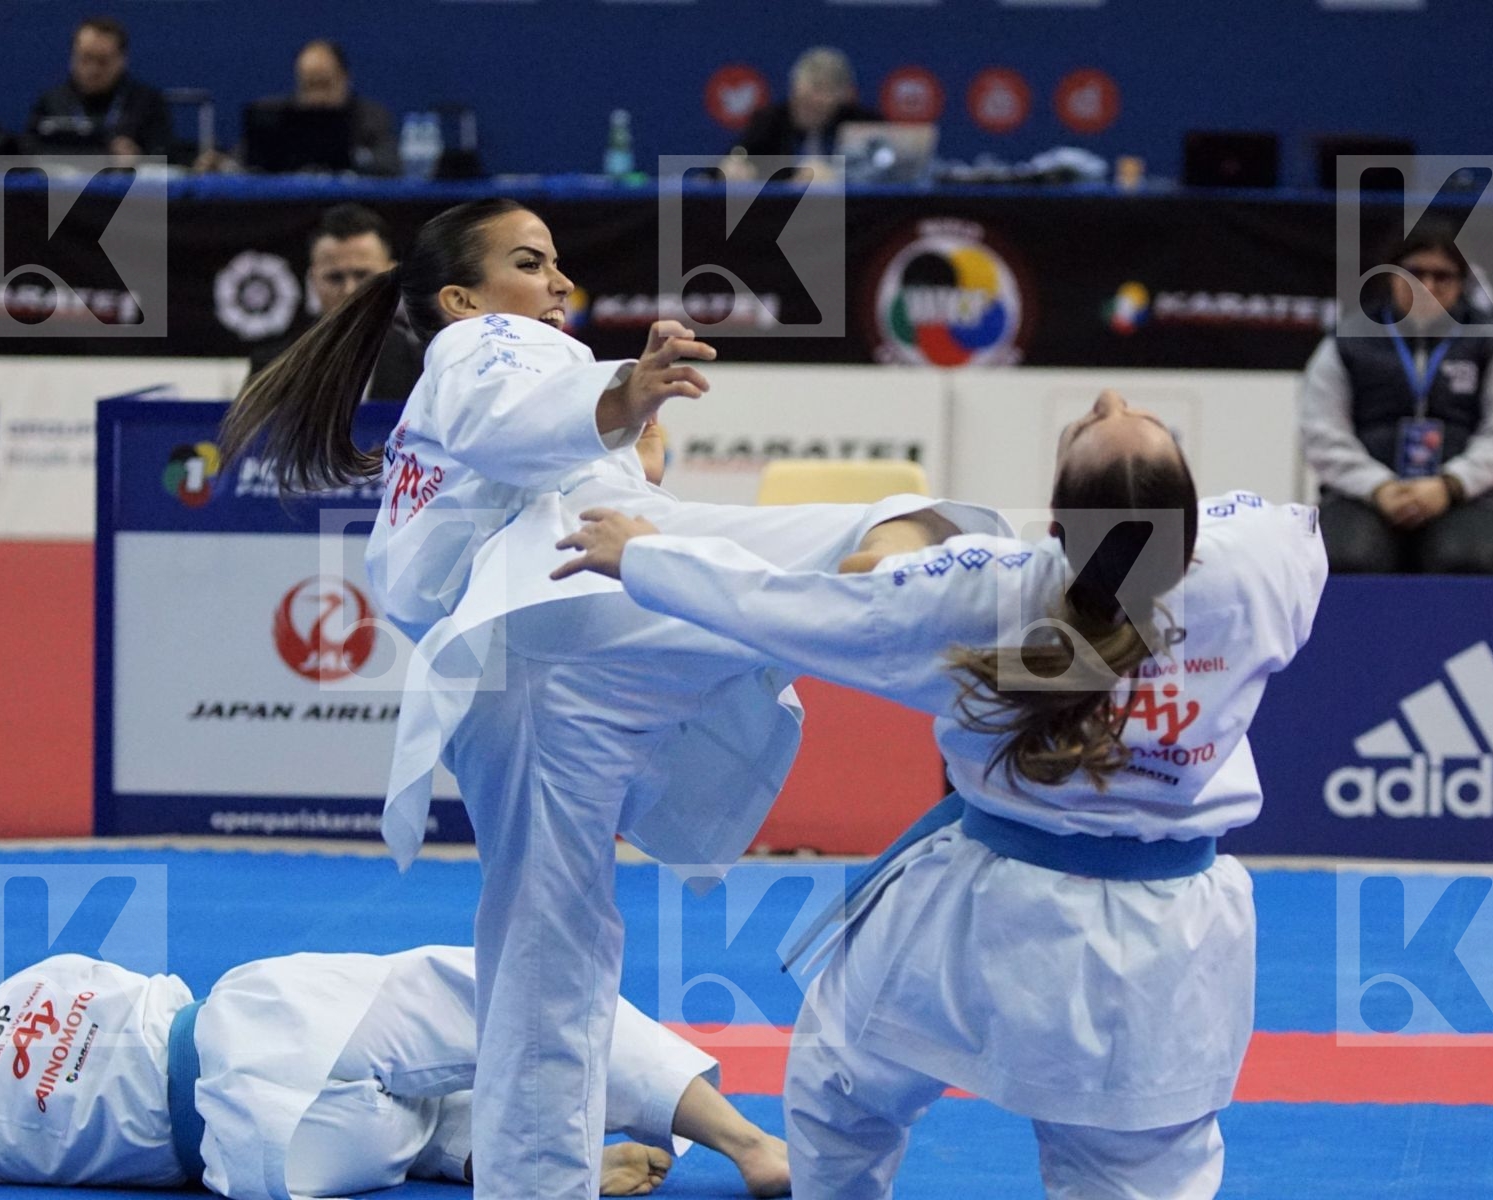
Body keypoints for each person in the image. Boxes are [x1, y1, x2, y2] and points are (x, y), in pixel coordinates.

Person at [217, 197, 1002, 1199]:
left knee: (550, 955)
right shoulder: (480, 350)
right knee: (898, 531)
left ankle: (535, 1184)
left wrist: (629, 421)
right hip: (570, 619)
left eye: (560, 265)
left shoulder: (467, 390)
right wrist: (624, 396)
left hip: (523, 685)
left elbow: (537, 458)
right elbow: (518, 423)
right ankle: (1008, 622)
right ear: (464, 298)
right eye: (530, 262)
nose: (558, 284)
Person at [554, 388, 1330, 1199]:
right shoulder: (1257, 565)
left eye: (1100, 423)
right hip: (1170, 941)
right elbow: (1278, 532)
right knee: (1141, 1173)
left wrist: (646, 556)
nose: (1111, 396)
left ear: (1058, 529)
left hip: (987, 918)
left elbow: (791, 609)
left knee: (843, 1083)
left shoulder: (987, 596)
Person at [0, 947, 789, 1198]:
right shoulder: (41, 976)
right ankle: (747, 1143)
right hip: (260, 1027)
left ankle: (523, 1169)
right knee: (494, 997)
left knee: (405, 1129)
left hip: (266, 1159)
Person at [1299, 224, 1493, 574]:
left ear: (1462, 282)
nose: (1427, 286)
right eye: (1414, 273)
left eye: (1442, 276)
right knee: (1349, 558)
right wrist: (1377, 486)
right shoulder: (1347, 341)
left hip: (1466, 498)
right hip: (1364, 496)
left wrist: (1450, 485)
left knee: (1465, 560)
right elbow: (1320, 431)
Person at [247, 204, 424, 400]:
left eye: (363, 275)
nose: (350, 290)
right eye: (335, 277)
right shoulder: (272, 369)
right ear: (313, 280)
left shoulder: (426, 367)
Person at [231, 40, 400, 176]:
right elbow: (242, 159)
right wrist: (224, 165)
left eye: (324, 84)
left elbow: (389, 165)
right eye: (309, 86)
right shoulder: (277, 118)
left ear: (344, 78)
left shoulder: (370, 117)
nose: (318, 97)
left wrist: (353, 157)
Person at [23, 16, 172, 158]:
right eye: (86, 58)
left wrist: (138, 157)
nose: (93, 70)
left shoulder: (146, 103)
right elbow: (28, 153)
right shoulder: (51, 102)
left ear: (122, 60)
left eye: (103, 61)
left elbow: (164, 156)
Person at [726, 47, 879, 166]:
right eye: (804, 98)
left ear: (843, 96)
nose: (814, 102)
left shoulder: (860, 122)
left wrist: (836, 176)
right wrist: (734, 165)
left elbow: (887, 168)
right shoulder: (769, 121)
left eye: (824, 92)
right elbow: (736, 157)